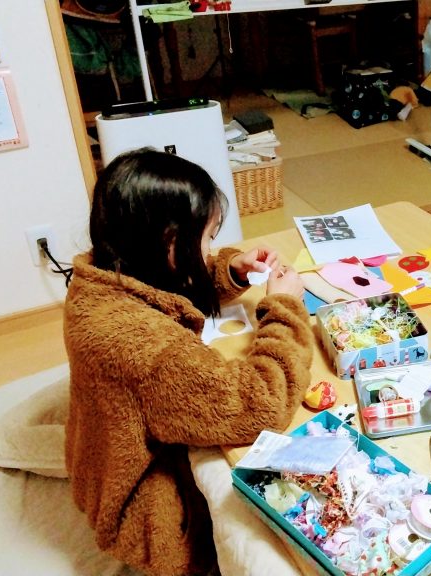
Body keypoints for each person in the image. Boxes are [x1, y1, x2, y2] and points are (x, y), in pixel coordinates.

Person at [64, 148, 314, 575]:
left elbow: (166, 284)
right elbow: (260, 404)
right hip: (148, 511)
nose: (211, 249)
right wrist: (285, 308)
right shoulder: (142, 346)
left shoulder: (101, 272)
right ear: (168, 241)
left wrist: (229, 270)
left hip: (101, 461)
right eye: (207, 238)